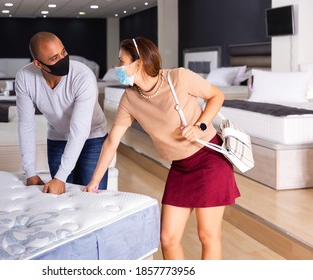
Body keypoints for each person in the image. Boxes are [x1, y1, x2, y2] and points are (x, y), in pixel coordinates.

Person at [84, 37, 240, 260]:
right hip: (180, 167)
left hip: (209, 159)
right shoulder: (130, 98)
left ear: (138, 62)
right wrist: (94, 181)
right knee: (168, 239)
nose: (116, 67)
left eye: (121, 61)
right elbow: (112, 141)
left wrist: (200, 126)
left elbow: (217, 95)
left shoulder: (178, 77)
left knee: (207, 235)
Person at [16, 31, 108, 194]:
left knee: (93, 198)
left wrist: (61, 177)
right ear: (38, 64)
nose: (62, 59)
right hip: (58, 137)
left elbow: (79, 130)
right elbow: (26, 125)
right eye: (54, 58)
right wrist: (30, 173)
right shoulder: (25, 77)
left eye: (63, 52)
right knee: (60, 197)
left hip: (93, 136)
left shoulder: (83, 75)